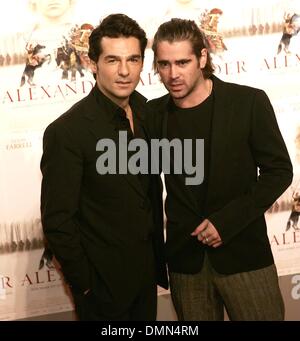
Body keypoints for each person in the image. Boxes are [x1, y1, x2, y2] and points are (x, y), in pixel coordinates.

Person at [147, 18, 293, 321]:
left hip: (244, 255)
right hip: (186, 263)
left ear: (202, 57)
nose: (173, 74)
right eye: (164, 65)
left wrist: (226, 222)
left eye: (182, 62)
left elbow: (278, 171)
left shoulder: (248, 102)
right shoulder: (153, 114)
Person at [40, 13, 168, 321]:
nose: (124, 71)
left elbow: (145, 194)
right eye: (112, 60)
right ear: (91, 63)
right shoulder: (67, 131)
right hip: (101, 290)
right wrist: (86, 286)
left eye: (133, 60)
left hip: (145, 277)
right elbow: (58, 221)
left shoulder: (146, 110)